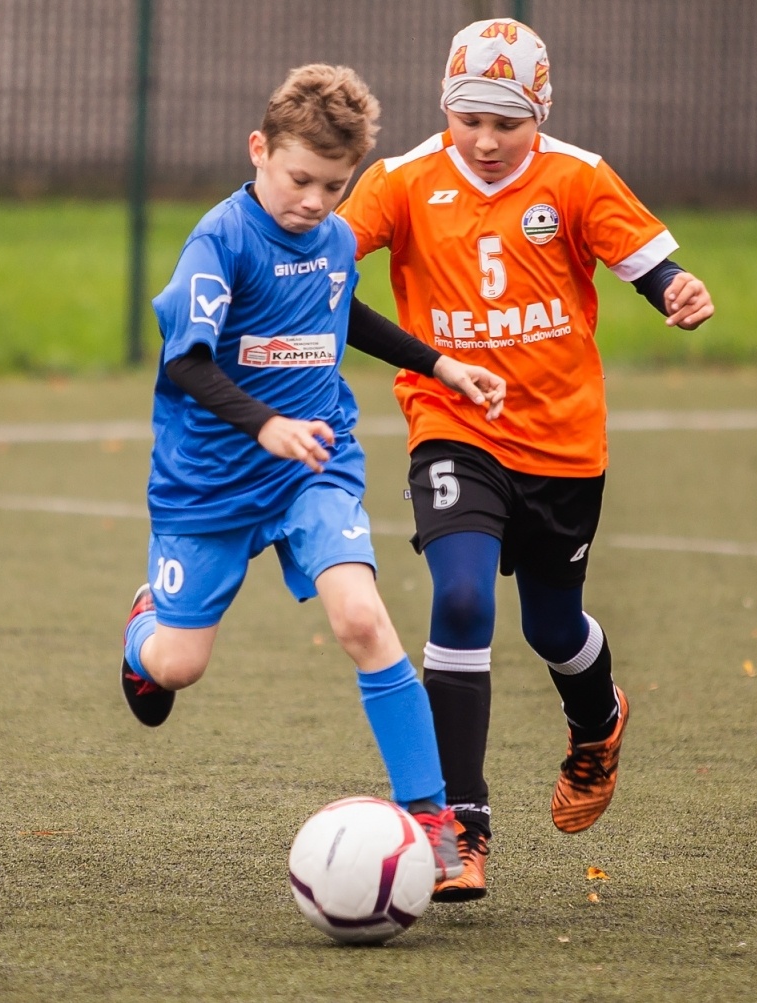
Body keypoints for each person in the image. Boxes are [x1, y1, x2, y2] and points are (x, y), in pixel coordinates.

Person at [337, 19, 715, 901]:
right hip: (452, 425)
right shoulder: (399, 183)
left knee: (553, 626)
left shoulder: (577, 177)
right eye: (471, 118)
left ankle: (597, 721)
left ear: (538, 115)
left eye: (508, 121)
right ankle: (457, 827)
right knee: (462, 597)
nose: (487, 139)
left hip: (563, 443)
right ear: (445, 107)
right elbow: (320, 267)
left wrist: (678, 293)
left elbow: (652, 267)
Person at [118, 64, 507, 881]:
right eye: (300, 179)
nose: (316, 202)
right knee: (178, 667)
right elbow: (186, 362)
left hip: (314, 468)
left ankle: (431, 819)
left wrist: (442, 365)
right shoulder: (219, 241)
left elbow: (342, 309)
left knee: (362, 620)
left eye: (335, 185)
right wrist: (265, 423)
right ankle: (144, 625)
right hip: (208, 484)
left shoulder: (332, 237)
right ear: (259, 150)